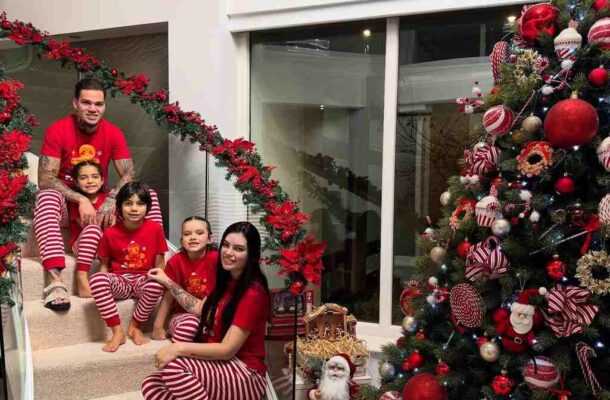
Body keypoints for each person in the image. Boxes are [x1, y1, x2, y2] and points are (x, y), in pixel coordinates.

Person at [34, 77, 163, 311]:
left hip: (102, 201)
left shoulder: (112, 133)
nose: (93, 109)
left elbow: (128, 174)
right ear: (75, 104)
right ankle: (55, 282)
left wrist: (112, 198)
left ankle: (155, 268)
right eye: (86, 103)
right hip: (68, 203)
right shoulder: (58, 130)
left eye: (99, 104)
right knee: (46, 196)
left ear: (104, 106)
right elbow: (45, 179)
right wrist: (81, 199)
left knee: (148, 195)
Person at [141, 221, 270, 400]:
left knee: (174, 367)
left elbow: (227, 350)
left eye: (239, 249)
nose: (229, 252)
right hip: (223, 365)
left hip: (245, 373)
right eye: (226, 245)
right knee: (152, 385)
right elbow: (200, 308)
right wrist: (168, 282)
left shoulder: (252, 294)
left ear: (252, 256)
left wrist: (177, 348)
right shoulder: (226, 281)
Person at [89, 182, 167, 352]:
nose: (134, 208)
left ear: (147, 207)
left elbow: (160, 263)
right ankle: (118, 332)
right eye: (128, 203)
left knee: (157, 282)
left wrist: (161, 282)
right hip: (121, 281)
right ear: (119, 207)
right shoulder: (110, 233)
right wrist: (103, 286)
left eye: (140, 204)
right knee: (96, 279)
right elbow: (103, 266)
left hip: (143, 279)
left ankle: (135, 325)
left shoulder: (155, 229)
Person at [151, 216, 218, 343]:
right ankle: (181, 354)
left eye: (199, 233)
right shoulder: (175, 262)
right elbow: (168, 296)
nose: (193, 237)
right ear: (182, 241)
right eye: (187, 234)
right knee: (190, 325)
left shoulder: (216, 260)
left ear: (210, 239)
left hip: (209, 312)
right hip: (181, 315)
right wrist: (158, 326)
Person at [68, 160, 108, 298]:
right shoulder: (77, 202)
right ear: (76, 183)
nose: (90, 181)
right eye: (83, 178)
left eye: (95, 177)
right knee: (93, 229)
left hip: (105, 246)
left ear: (102, 180)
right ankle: (82, 276)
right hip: (84, 245)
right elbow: (86, 224)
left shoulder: (108, 198)